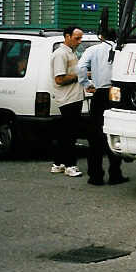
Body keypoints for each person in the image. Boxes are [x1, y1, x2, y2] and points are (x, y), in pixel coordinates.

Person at [78, 29, 128, 186]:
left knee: (95, 135)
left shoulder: (92, 50)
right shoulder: (121, 50)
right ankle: (115, 173)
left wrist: (87, 84)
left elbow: (80, 68)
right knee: (114, 131)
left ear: (101, 36)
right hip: (116, 92)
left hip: (99, 93)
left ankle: (95, 175)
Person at [50, 26, 85, 177]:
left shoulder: (70, 53)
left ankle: (58, 164)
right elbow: (59, 79)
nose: (79, 41)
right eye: (77, 38)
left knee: (66, 133)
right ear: (67, 36)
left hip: (74, 97)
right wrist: (79, 76)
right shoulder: (60, 54)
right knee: (70, 134)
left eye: (80, 38)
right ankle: (70, 166)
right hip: (67, 99)